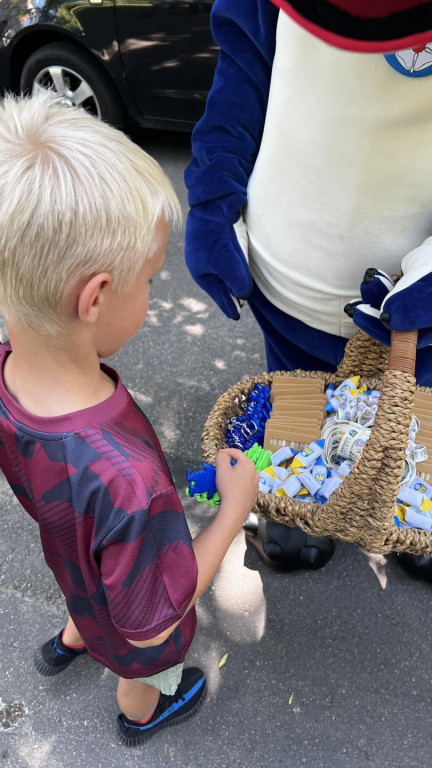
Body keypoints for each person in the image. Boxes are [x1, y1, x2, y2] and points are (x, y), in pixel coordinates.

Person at [0, 93, 259, 746]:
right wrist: (232, 511)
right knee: (145, 658)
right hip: (134, 608)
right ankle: (140, 716)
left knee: (88, 572)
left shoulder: (8, 368)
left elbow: (79, 519)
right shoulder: (129, 480)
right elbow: (151, 621)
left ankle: (70, 638)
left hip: (74, 549)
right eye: (148, 279)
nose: (154, 289)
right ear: (95, 297)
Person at [184, 0, 432, 577]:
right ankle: (297, 503)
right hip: (290, 276)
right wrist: (212, 201)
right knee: (298, 397)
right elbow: (241, 79)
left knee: (412, 408)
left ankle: (410, 499)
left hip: (413, 300)